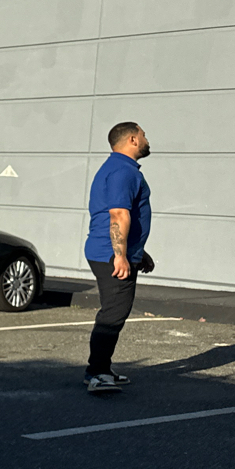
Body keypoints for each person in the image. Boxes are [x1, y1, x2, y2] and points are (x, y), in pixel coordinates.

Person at [83, 122, 154, 393]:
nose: (147, 140)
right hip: (109, 254)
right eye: (144, 135)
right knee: (113, 313)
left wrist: (138, 252)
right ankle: (97, 373)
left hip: (113, 251)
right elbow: (118, 214)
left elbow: (127, 217)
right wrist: (120, 255)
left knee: (115, 311)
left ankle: (102, 368)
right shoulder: (123, 171)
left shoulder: (118, 168)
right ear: (133, 140)